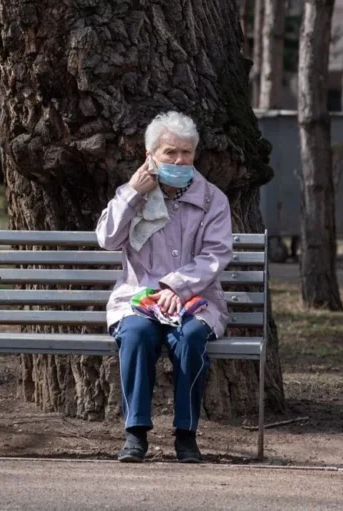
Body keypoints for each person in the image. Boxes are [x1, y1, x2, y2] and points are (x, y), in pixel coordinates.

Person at [96, 111, 233, 463]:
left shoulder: (212, 199)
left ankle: (186, 435)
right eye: (170, 152)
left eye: (187, 152)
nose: (180, 160)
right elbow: (107, 239)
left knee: (190, 338)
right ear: (151, 156)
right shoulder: (132, 194)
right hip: (138, 298)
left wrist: (177, 287)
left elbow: (216, 253)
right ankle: (135, 434)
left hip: (195, 299)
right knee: (137, 334)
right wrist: (132, 195)